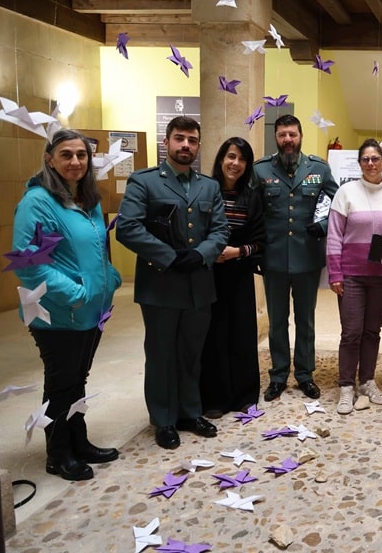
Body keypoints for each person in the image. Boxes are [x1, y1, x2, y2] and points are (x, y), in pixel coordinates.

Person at [11, 129, 122, 481]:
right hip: (59, 313)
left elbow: (95, 249)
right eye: (66, 154)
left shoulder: (87, 199)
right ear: (49, 159)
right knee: (61, 385)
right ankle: (58, 454)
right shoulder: (38, 202)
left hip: (91, 312)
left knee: (78, 380)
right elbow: (30, 264)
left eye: (81, 155)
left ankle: (78, 440)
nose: (75, 161)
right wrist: (76, 293)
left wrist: (110, 277)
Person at [116, 116, 228, 450]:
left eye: (192, 140)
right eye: (180, 138)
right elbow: (128, 227)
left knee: (191, 352)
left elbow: (220, 229)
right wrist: (169, 256)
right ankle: (163, 419)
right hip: (161, 285)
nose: (186, 145)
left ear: (198, 146)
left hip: (198, 285)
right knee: (161, 354)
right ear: (166, 142)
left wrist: (202, 254)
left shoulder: (209, 186)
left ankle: (190, 412)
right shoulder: (144, 181)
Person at [253, 114, 338, 402]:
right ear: (276, 138)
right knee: (277, 322)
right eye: (282, 135)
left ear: (301, 136)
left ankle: (304, 374)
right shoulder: (261, 170)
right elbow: (253, 212)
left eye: (292, 134)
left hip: (307, 257)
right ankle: (278, 375)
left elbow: (337, 205)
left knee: (306, 320)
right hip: (274, 259)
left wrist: (324, 225)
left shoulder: (319, 169)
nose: (288, 139)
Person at [327, 139, 382, 415]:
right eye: (365, 159)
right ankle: (346, 386)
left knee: (372, 331)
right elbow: (334, 235)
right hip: (352, 275)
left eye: (375, 158)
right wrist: (335, 273)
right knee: (352, 332)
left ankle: (367, 381)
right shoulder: (346, 192)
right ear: (359, 163)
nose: (371, 163)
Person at [199, 137, 266, 418]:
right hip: (209, 274)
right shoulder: (205, 191)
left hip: (239, 272)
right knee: (213, 334)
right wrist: (209, 252)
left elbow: (261, 240)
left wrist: (238, 251)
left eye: (242, 159)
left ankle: (244, 395)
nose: (235, 163)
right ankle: (214, 398)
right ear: (221, 159)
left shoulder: (253, 196)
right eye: (230, 156)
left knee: (242, 333)